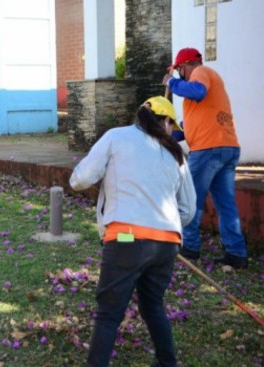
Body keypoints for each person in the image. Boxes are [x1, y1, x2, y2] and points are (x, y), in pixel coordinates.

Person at [70, 96, 196, 367]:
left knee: (109, 313)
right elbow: (188, 209)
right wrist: (160, 228)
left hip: (126, 237)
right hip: (166, 243)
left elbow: (79, 179)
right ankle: (167, 363)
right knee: (153, 306)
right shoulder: (177, 154)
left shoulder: (116, 137)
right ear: (165, 122)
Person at [162, 47, 248, 269]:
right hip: (226, 147)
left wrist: (172, 83)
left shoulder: (200, 73)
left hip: (209, 150)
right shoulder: (207, 82)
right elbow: (190, 128)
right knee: (226, 204)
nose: (178, 74)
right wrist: (169, 134)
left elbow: (197, 91)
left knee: (191, 199)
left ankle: (190, 247)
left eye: (178, 70)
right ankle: (236, 253)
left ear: (184, 66)